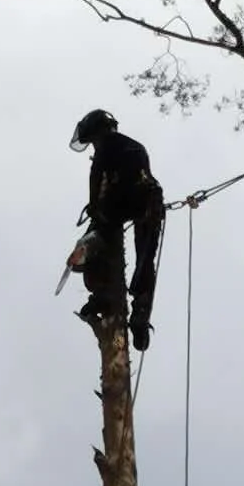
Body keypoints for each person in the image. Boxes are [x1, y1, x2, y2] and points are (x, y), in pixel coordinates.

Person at [69, 109, 166, 351]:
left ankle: (104, 294)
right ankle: (140, 311)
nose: (93, 147)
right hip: (149, 201)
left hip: (125, 203)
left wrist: (95, 208)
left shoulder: (106, 147)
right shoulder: (134, 146)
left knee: (97, 239)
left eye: (92, 141)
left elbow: (96, 181)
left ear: (97, 132)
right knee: (145, 259)